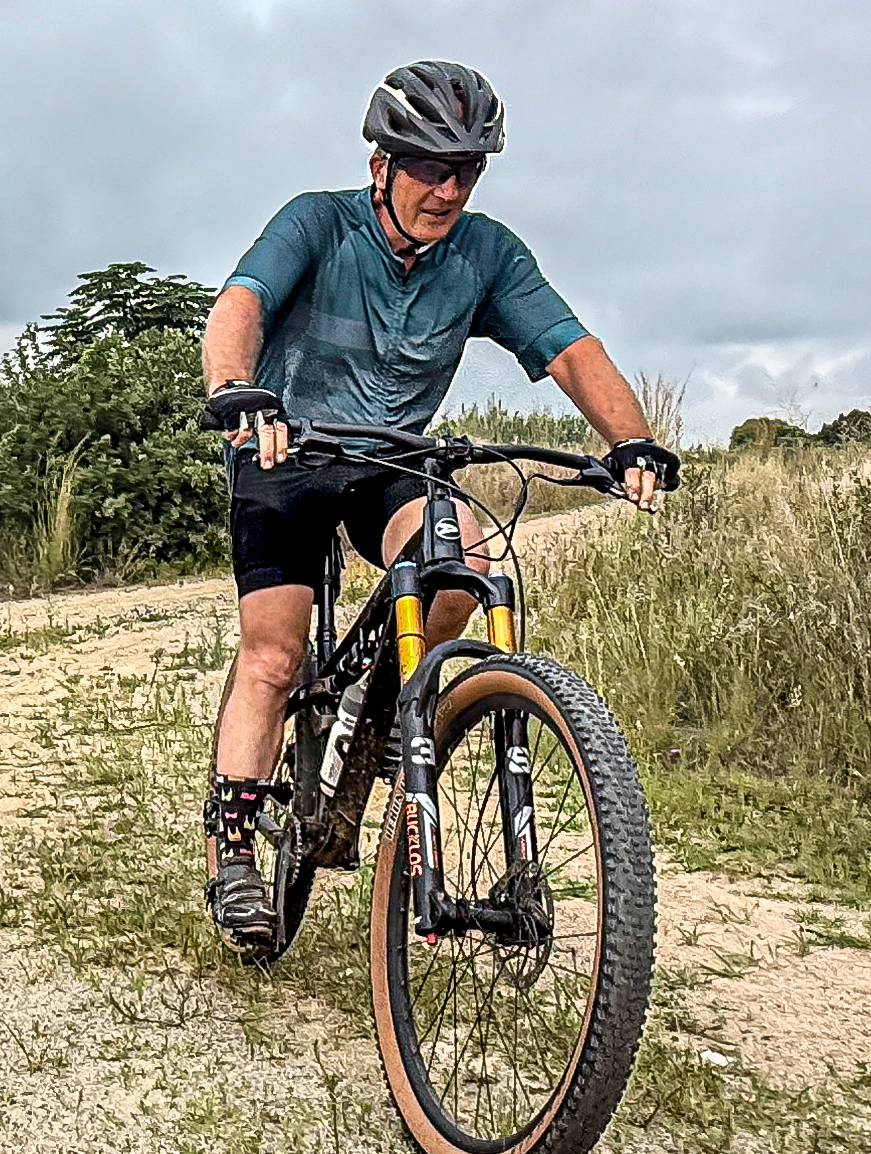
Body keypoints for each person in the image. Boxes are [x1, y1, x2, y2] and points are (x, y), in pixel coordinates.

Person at [196, 59, 680, 953]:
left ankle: (381, 719)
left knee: (463, 566)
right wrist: (236, 389)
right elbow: (241, 304)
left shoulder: (485, 254)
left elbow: (570, 349)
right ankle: (233, 853)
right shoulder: (317, 222)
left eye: (467, 170)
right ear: (381, 165)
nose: (449, 190)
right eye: (429, 167)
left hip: (392, 460)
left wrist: (632, 439)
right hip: (285, 451)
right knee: (275, 653)